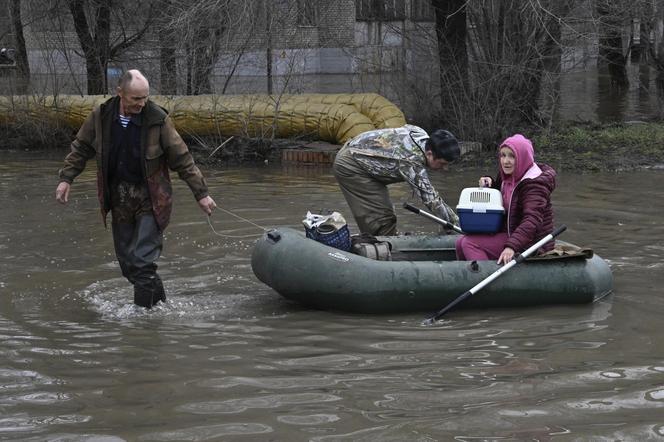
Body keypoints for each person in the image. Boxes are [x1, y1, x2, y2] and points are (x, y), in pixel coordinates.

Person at [55, 69, 217, 308]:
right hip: (119, 198)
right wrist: (66, 178)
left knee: (142, 262)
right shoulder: (101, 116)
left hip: (152, 198)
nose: (142, 103)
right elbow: (81, 148)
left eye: (145, 98)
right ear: (120, 93)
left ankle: (141, 322)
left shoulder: (157, 119)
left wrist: (201, 194)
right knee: (129, 266)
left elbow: (182, 158)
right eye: (136, 99)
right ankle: (161, 305)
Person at [333, 124, 460, 236]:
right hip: (352, 165)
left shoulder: (420, 134)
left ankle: (384, 240)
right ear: (430, 154)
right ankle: (381, 250)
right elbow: (431, 199)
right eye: (442, 164)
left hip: (361, 156)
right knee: (382, 219)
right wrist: (456, 224)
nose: (445, 169)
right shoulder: (411, 162)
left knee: (387, 213)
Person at [455, 134, 556, 264]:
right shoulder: (507, 176)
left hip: (532, 242)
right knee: (460, 243)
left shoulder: (534, 185)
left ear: (523, 158)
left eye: (512, 156)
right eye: (503, 155)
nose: (505, 161)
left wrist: (511, 246)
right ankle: (466, 278)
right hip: (509, 232)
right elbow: (502, 194)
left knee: (470, 244)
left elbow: (532, 220)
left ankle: (486, 280)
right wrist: (490, 182)